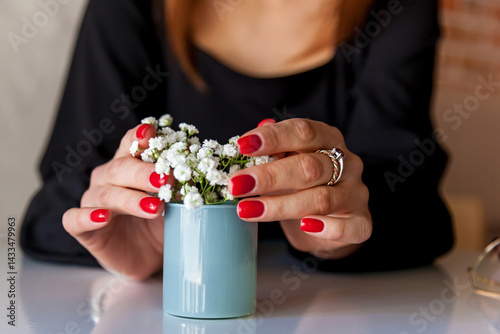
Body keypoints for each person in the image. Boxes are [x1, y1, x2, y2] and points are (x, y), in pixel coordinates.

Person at [21, 0, 453, 280]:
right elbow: (53, 209)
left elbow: (418, 211)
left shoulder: (396, 9)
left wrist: (336, 227)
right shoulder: (131, 9)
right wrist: (137, 229)